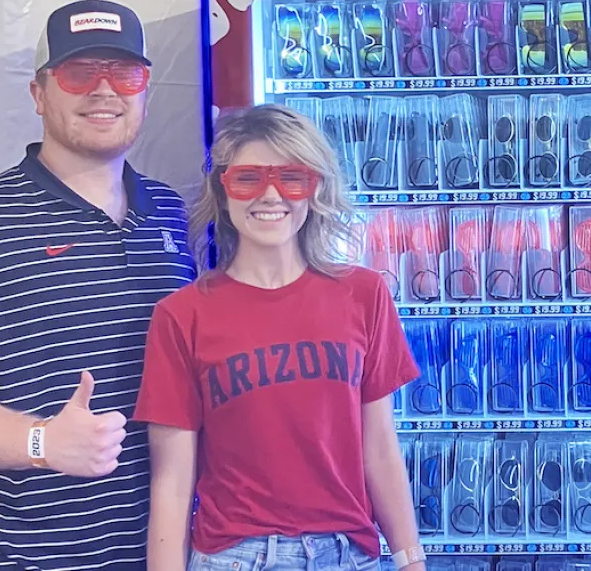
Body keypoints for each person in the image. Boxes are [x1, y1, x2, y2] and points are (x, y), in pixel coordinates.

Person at [133, 104, 425, 571]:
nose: (271, 196)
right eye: (248, 178)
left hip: (349, 554)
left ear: (314, 190)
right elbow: (171, 478)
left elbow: (380, 445)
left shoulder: (364, 294)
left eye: (292, 178)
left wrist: (410, 557)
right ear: (223, 191)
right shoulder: (180, 315)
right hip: (235, 557)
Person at [0, 0, 196, 570]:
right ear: (39, 94)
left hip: (160, 552)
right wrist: (41, 442)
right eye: (79, 72)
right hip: (23, 556)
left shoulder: (169, 211)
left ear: (145, 90)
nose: (104, 90)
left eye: (124, 73)